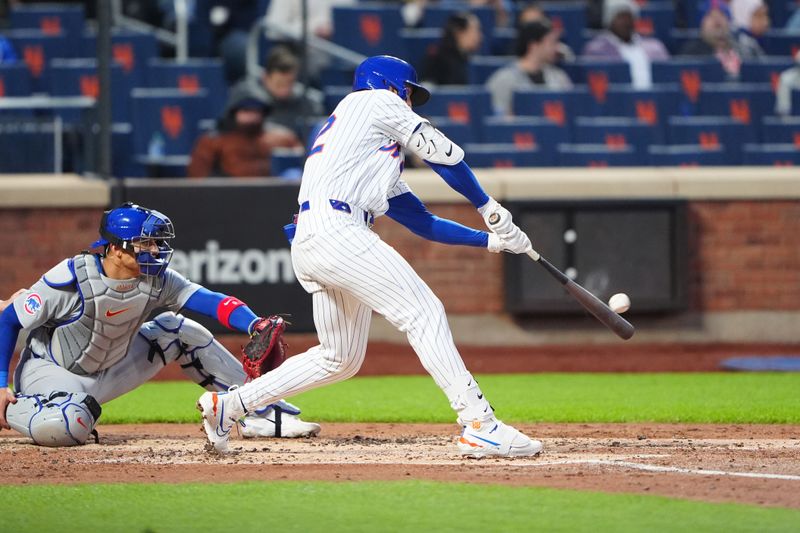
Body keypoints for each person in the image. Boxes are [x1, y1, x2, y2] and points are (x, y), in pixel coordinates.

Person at [197, 55, 543, 458]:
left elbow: (422, 221)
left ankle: (230, 407)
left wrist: (492, 242)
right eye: (410, 93)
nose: (411, 102)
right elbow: (443, 154)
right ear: (392, 85)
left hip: (318, 236)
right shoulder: (374, 101)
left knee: (339, 357)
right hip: (339, 229)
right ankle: (479, 423)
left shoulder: (364, 146)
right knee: (424, 312)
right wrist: (487, 206)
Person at [0, 203, 320, 447]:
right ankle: (14, 410)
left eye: (155, 243)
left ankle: (258, 411)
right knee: (65, 427)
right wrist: (0, 384)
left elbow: (209, 300)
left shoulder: (156, 279)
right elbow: (8, 319)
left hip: (107, 371)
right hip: (52, 375)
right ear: (115, 248)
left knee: (177, 330)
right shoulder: (70, 278)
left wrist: (254, 324)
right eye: (145, 243)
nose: (155, 250)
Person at [187, 88, 302, 178]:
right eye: (246, 111)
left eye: (256, 111)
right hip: (227, 198)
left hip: (276, 197)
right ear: (234, 113)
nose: (251, 116)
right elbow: (198, 180)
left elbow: (304, 168)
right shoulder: (212, 142)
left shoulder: (284, 138)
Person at [230, 47, 325, 139]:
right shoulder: (248, 100)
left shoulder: (307, 104)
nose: (285, 90)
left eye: (289, 83)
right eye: (279, 84)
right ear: (266, 78)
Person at [486, 19, 572, 116]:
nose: (556, 48)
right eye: (551, 42)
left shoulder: (559, 78)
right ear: (534, 45)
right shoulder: (504, 80)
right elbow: (496, 117)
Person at [582, 0, 669, 89]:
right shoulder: (596, 50)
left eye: (629, 16)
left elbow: (667, 79)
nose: (626, 22)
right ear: (610, 20)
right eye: (621, 17)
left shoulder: (655, 47)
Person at [680, 0, 761, 79]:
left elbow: (763, 73)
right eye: (710, 15)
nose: (717, 19)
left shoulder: (747, 47)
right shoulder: (691, 53)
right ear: (702, 23)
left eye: (722, 14)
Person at [420, 11, 483, 86]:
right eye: (475, 30)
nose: (480, 36)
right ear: (459, 33)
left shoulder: (467, 59)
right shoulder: (436, 59)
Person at [775, 50, 800, 116]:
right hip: (797, 75)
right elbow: (798, 58)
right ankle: (785, 115)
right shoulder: (786, 78)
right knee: (785, 79)